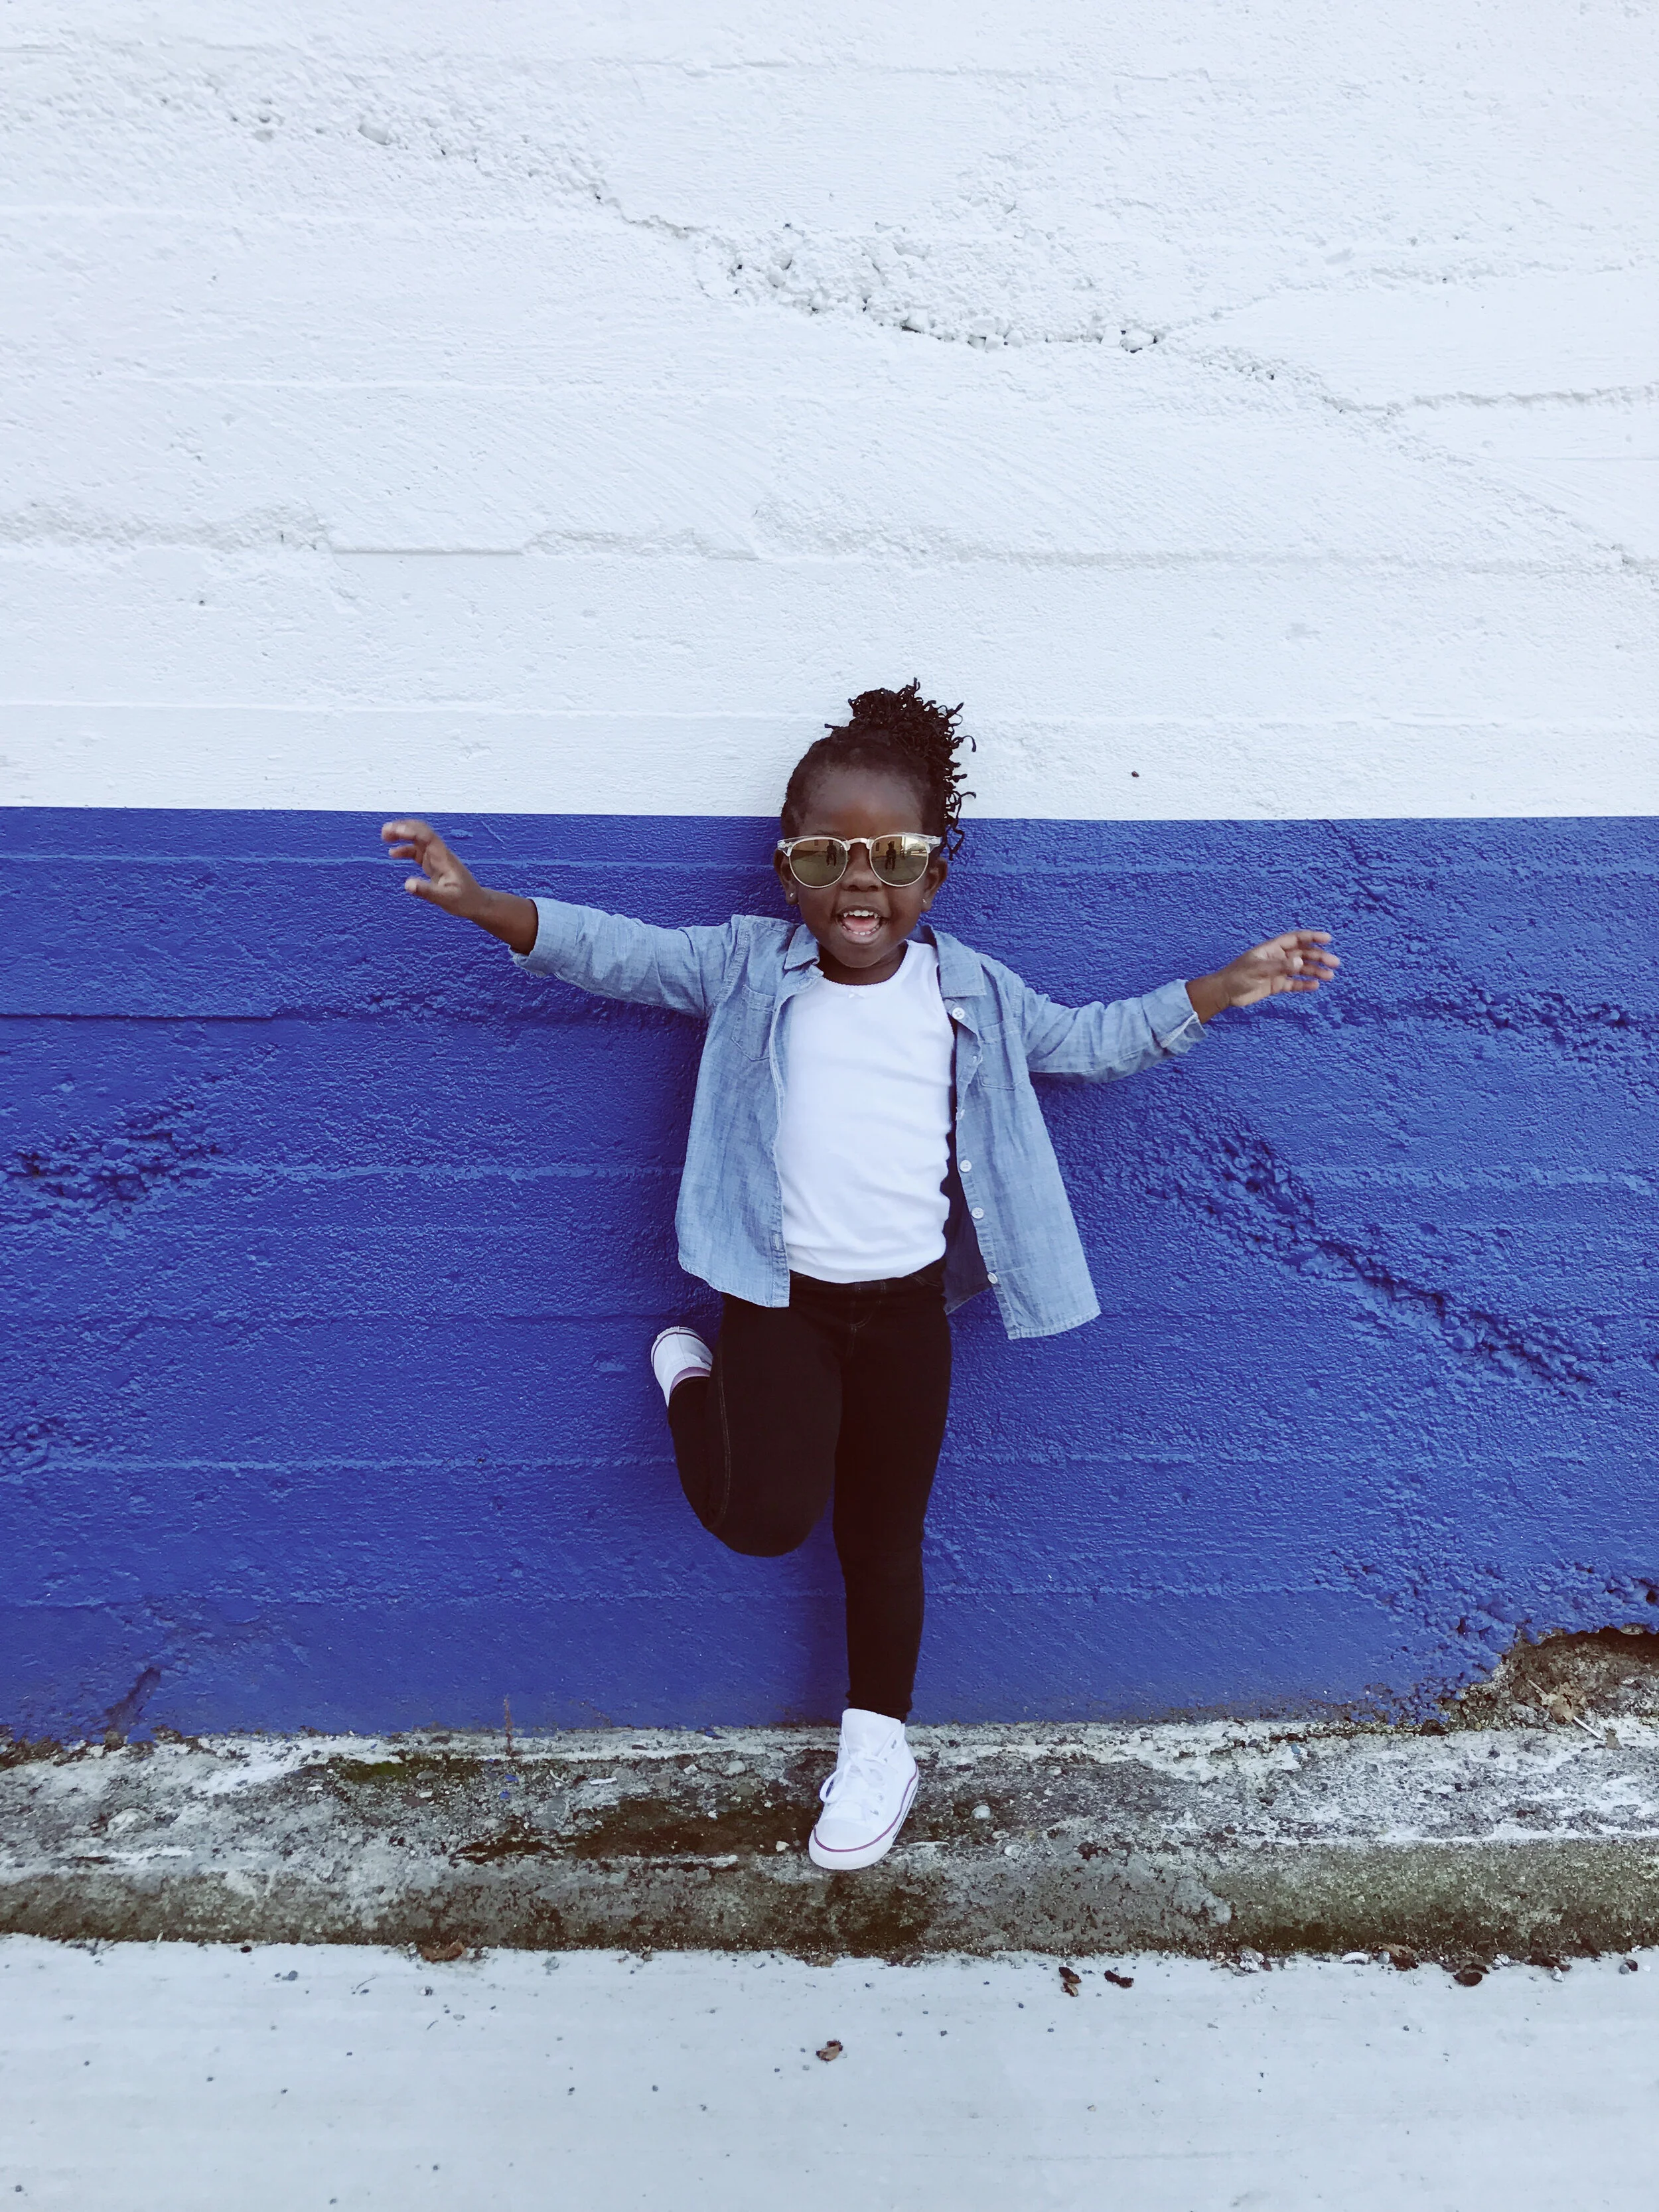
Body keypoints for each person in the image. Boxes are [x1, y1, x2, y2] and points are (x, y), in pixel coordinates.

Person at [382, 684, 1338, 1872]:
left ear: (935, 876)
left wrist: (1223, 987)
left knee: (885, 1537)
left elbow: (1088, 1043)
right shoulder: (744, 967)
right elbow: (616, 954)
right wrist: (483, 905)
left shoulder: (971, 990)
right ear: (789, 871)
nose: (860, 884)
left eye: (893, 858)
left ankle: (879, 1745)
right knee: (763, 1520)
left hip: (906, 1313)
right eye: (829, 856)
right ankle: (691, 1381)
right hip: (776, 1303)